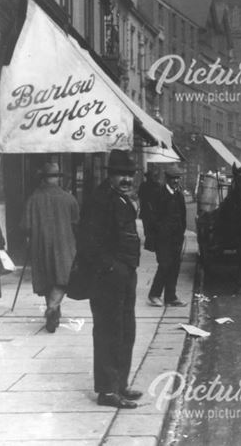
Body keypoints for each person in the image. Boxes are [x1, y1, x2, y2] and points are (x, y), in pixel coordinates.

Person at [78, 150, 143, 408]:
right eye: (121, 175)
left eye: (130, 175)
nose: (126, 180)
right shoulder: (101, 199)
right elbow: (88, 243)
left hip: (125, 274)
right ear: (110, 175)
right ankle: (107, 391)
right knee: (108, 332)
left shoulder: (121, 198)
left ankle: (120, 385)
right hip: (109, 278)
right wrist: (112, 269)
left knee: (126, 331)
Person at [22, 163, 79, 332]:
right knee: (62, 278)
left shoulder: (33, 198)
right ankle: (53, 308)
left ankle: (53, 311)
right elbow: (76, 222)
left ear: (43, 179)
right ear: (57, 178)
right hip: (64, 244)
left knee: (47, 278)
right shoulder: (68, 198)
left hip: (40, 245)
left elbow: (25, 225)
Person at [147, 166, 188, 308]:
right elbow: (152, 218)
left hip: (176, 238)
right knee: (164, 265)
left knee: (175, 267)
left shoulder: (179, 195)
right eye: (173, 178)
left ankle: (171, 297)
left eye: (177, 178)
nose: (176, 181)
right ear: (167, 179)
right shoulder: (159, 194)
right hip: (163, 239)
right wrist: (158, 234)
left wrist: (181, 233)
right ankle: (154, 295)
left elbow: (183, 217)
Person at [137, 169, 161, 253]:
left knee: (147, 228)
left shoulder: (143, 185)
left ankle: (150, 243)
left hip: (146, 210)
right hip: (153, 210)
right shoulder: (157, 185)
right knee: (152, 227)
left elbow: (140, 198)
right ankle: (152, 243)